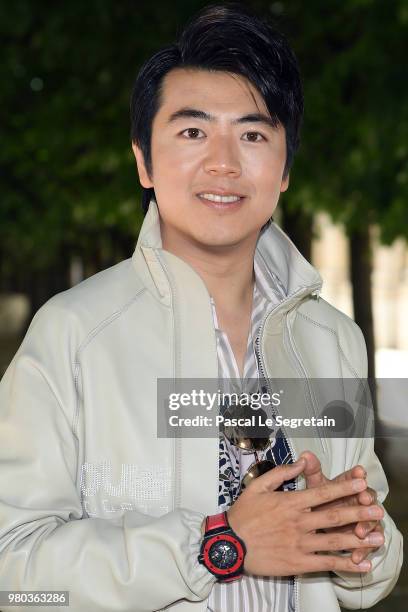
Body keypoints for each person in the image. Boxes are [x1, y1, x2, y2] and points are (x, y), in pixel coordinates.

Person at [0, 3, 402, 612]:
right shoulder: (74, 334)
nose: (224, 161)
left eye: (253, 134)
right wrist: (221, 545)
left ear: (285, 166)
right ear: (143, 159)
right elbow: (15, 574)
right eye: (192, 131)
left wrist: (359, 544)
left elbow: (373, 567)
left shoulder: (330, 339)